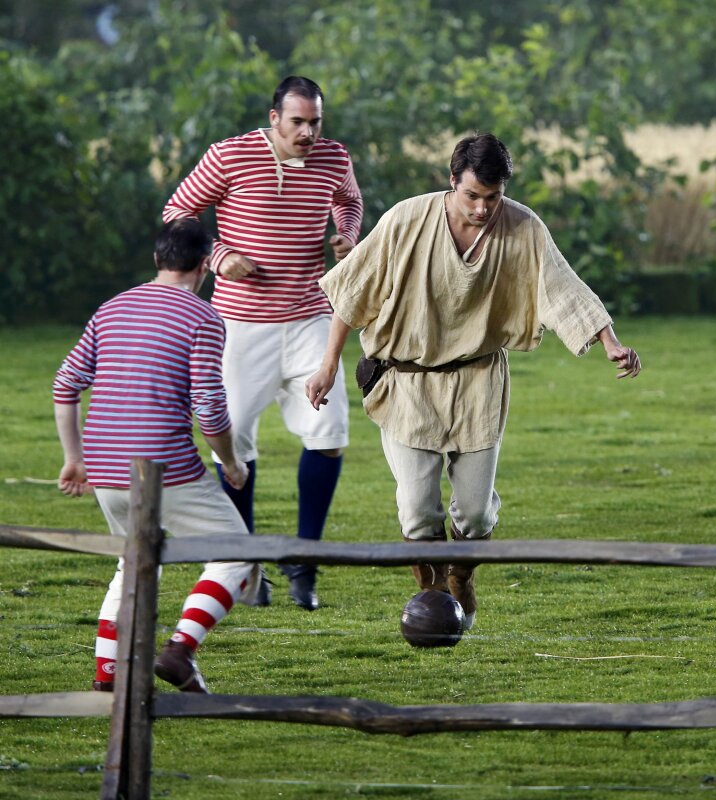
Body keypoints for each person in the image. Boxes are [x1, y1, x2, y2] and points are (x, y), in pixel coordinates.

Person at [304, 133, 641, 632]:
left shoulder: (522, 227)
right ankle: (434, 597)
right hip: (406, 381)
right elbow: (353, 292)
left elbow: (562, 286)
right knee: (418, 512)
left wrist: (610, 341)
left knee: (477, 515)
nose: (483, 208)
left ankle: (461, 574)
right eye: (472, 196)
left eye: (493, 197)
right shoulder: (405, 220)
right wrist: (328, 363)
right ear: (451, 182)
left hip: (479, 381)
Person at [162, 76, 363, 611]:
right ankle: (245, 566)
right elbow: (177, 213)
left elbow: (349, 201)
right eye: (297, 122)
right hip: (238, 326)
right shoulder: (230, 155)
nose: (308, 133)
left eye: (315, 122)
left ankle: (304, 559)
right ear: (274, 118)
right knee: (233, 446)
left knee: (329, 435)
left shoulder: (334, 158)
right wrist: (219, 252)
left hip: (310, 318)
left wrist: (347, 234)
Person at [53, 219, 257, 695]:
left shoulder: (111, 309)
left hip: (105, 469)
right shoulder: (204, 318)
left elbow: (65, 385)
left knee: (133, 562)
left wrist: (74, 458)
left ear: (156, 260)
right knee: (237, 553)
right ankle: (180, 650)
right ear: (208, 264)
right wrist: (229, 462)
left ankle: (108, 679)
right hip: (165, 464)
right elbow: (209, 406)